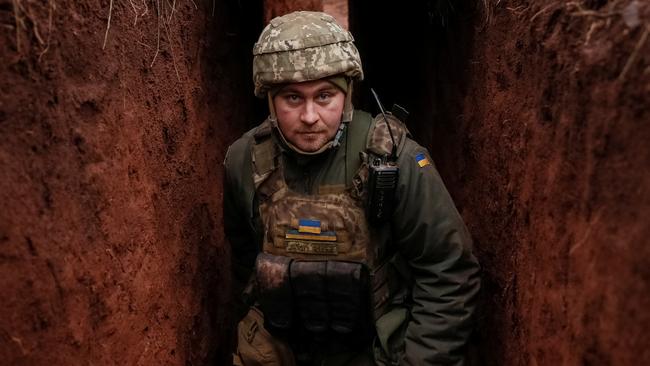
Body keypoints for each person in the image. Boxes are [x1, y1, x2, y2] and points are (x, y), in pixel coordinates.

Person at [223, 11, 480, 366]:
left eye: (325, 96)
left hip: (373, 350)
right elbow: (243, 260)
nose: (310, 116)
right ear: (270, 100)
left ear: (347, 94)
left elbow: (448, 270)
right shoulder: (243, 161)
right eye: (292, 98)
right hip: (282, 347)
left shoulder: (394, 158)